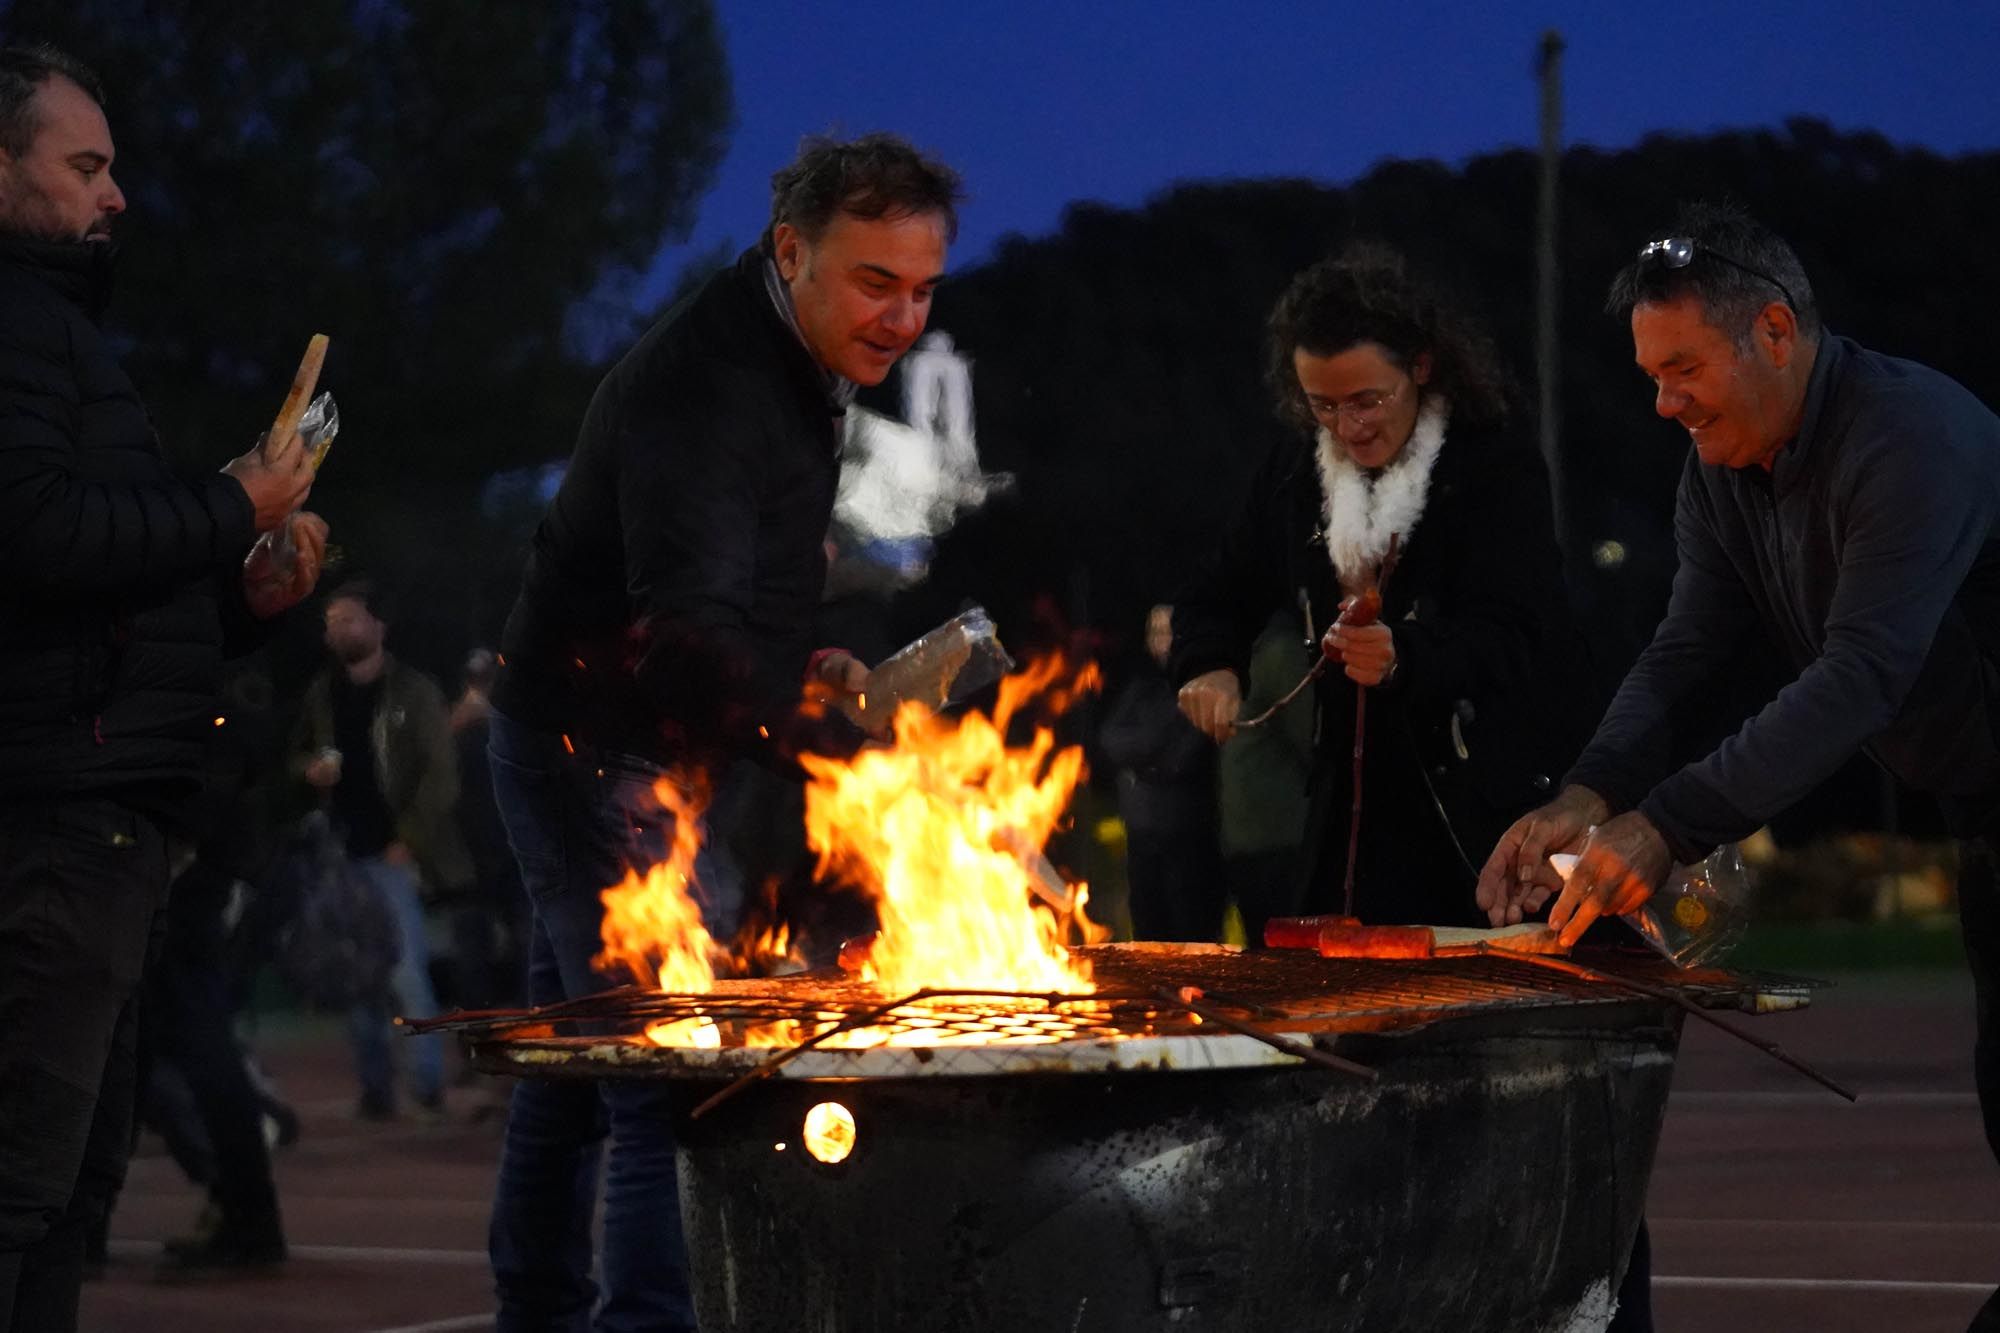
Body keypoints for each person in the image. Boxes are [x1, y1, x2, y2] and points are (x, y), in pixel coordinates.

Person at [1477, 202, 2000, 1333]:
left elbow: (1860, 673)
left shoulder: (1906, 438)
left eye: (1680, 370)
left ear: (1773, 330)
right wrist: (1589, 792)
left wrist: (1666, 825)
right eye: (1647, 375)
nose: (1661, 403)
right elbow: (1684, 651)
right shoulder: (1721, 469)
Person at [486, 132, 960, 1331]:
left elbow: (723, 601)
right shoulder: (710, 386)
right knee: (671, 1084)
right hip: (603, 757)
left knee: (576, 1073)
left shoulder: (785, 362)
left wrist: (805, 658)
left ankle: (534, 1309)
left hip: (613, 738)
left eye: (921, 289)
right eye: (874, 283)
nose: (901, 318)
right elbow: (686, 638)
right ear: (790, 250)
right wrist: (815, 724)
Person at [0, 41, 325, 1333]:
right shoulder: (21, 328)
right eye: (85, 167)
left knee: (65, 1194)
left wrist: (239, 596)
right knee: (26, 1192)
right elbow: (30, 534)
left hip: (104, 814)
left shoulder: (55, 331)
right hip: (60, 820)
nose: (115, 195)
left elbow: (93, 584)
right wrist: (231, 502)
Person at [1174, 244, 1588, 930]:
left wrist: (1407, 658)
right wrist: (1208, 662)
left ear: (1421, 367)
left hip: (1473, 819)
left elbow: (1519, 632)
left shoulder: (1491, 464)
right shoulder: (1295, 470)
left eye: (1369, 399)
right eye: (1323, 405)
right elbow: (1217, 589)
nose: (1349, 425)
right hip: (1344, 830)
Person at [291, 578, 471, 1121]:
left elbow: (441, 776)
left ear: (377, 626)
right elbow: (296, 755)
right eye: (331, 622)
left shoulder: (414, 691)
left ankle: (428, 1085)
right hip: (340, 854)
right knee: (355, 976)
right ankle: (376, 1090)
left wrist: (407, 840)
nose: (338, 630)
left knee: (405, 973)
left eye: (348, 619)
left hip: (392, 855)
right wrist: (309, 771)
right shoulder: (322, 694)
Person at [1100, 605, 1225, 941]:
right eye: (1154, 632)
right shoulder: (1141, 688)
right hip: (1142, 833)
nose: (1161, 641)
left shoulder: (1201, 688)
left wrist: (1142, 756)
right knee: (1148, 931)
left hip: (1188, 833)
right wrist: (1155, 747)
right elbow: (1110, 740)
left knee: (1192, 932)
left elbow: (1186, 757)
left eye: (1168, 631)